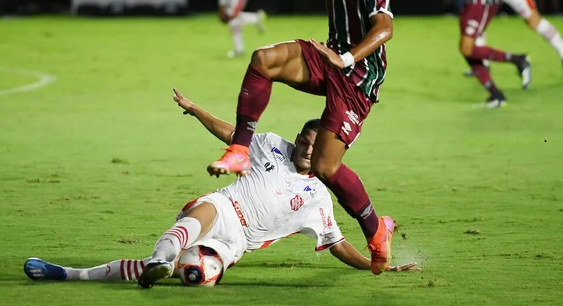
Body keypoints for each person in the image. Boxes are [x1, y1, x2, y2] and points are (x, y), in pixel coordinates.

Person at [23, 89, 420, 288]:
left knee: (195, 274)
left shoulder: (318, 199)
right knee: (200, 215)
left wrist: (374, 264)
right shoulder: (271, 144)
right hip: (227, 206)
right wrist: (197, 111)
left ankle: (160, 265)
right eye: (303, 140)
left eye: (315, 147)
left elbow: (337, 244)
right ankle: (77, 274)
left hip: (237, 243)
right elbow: (232, 132)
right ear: (297, 138)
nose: (306, 149)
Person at [208, 0, 395, 275]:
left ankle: (377, 233)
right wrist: (336, 55)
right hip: (331, 56)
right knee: (264, 59)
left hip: (357, 77)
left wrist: (346, 59)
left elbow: (385, 27)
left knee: (325, 167)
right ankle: (240, 151)